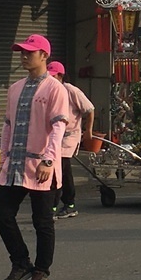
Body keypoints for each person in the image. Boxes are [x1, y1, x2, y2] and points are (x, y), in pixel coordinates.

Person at [0, 34, 69, 280]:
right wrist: (3, 159)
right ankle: (20, 263)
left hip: (42, 167)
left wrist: (48, 159)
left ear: (44, 56)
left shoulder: (54, 88)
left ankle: (41, 270)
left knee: (42, 222)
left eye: (30, 52)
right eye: (21, 52)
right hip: (14, 166)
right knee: (2, 215)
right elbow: (7, 127)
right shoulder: (15, 88)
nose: (24, 56)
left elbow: (59, 127)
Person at [48, 61, 93, 219]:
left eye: (53, 76)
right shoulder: (50, 90)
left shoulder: (71, 90)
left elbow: (90, 109)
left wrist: (88, 131)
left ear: (60, 76)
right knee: (61, 171)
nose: (50, 79)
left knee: (60, 169)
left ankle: (65, 204)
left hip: (70, 135)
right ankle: (63, 204)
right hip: (55, 135)